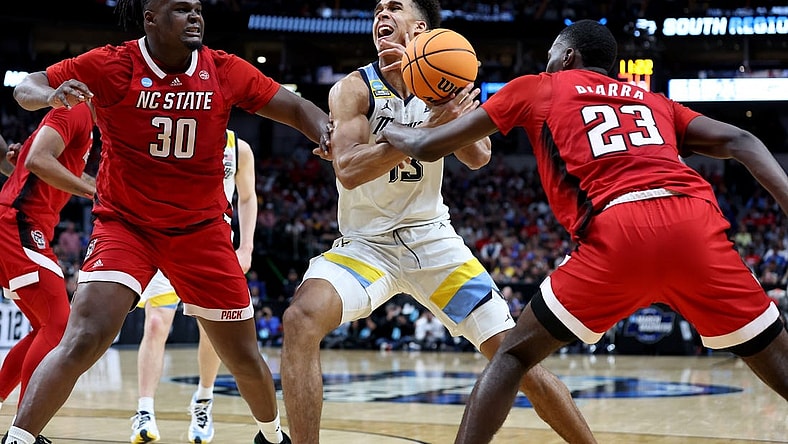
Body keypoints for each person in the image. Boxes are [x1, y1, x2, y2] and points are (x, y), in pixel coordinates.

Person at [379, 19, 788, 443]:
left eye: (553, 53)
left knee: (514, 356)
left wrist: (388, 128)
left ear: (568, 56)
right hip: (695, 225)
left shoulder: (537, 86)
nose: (548, 61)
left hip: (619, 230)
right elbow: (742, 140)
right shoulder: (654, 101)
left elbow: (428, 146)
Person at [8, 0, 329, 443]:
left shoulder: (224, 69)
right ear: (151, 19)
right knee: (83, 336)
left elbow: (295, 107)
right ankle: (20, 439)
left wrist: (326, 132)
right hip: (126, 226)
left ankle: (270, 436)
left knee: (241, 355)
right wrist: (48, 95)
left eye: (197, 9)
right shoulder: (111, 63)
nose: (195, 17)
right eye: (181, 10)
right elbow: (27, 85)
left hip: (202, 231)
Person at [280, 1, 595, 443]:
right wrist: (424, 134)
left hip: (434, 244)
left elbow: (479, 156)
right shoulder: (354, 88)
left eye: (394, 7)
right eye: (377, 9)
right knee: (300, 319)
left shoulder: (448, 78)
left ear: (421, 26)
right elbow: (348, 170)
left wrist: (448, 113)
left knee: (516, 359)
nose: (381, 14)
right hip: (366, 247)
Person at [130, 129, 257, 444]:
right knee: (156, 323)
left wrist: (246, 247)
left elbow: (248, 195)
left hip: (211, 244)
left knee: (211, 330)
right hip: (165, 237)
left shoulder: (238, 148)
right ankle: (144, 411)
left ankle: (203, 400)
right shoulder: (172, 132)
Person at [0, 103, 96, 442]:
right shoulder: (77, 112)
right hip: (19, 224)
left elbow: (35, 160)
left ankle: (17, 422)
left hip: (21, 226)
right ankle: (22, 431)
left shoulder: (84, 123)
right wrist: (93, 192)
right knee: (58, 324)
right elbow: (37, 160)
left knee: (43, 327)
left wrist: (99, 187)